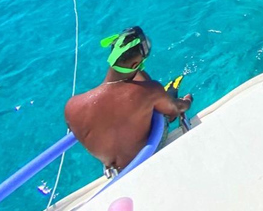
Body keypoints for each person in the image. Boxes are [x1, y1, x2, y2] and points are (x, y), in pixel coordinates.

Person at [64, 27, 193, 175]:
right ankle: (164, 97)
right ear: (134, 65)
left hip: (116, 168)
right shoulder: (148, 91)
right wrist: (187, 101)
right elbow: (177, 108)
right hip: (148, 151)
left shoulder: (72, 107)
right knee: (159, 103)